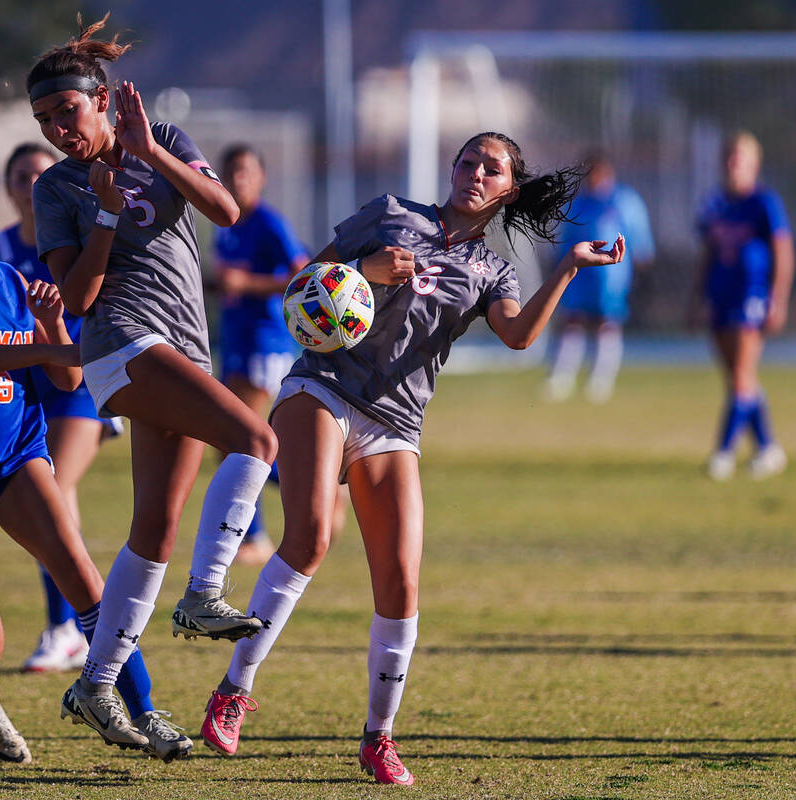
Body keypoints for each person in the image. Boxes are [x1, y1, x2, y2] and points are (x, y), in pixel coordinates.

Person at [195, 132, 625, 785]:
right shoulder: (391, 213)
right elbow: (301, 285)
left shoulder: (494, 270)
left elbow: (517, 336)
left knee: (400, 580)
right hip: (322, 387)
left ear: (509, 188)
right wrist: (363, 274)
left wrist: (567, 267)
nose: (475, 173)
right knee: (309, 538)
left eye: (491, 168)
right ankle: (232, 691)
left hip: (395, 422)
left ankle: (379, 737)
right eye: (467, 161)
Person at [27, 15, 278, 747]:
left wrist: (146, 156)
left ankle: (98, 684)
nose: (57, 129)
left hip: (185, 348)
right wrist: (104, 207)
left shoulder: (163, 141)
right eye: (44, 119)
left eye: (66, 111)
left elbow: (224, 210)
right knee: (256, 437)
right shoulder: (58, 190)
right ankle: (204, 596)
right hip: (119, 347)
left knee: (155, 531)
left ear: (102, 99)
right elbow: (74, 298)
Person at [0, 158, 191, 764]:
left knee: (86, 582)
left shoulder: (12, 279)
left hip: (15, 459)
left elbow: (67, 374)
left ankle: (143, 712)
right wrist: (48, 340)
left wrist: (55, 319)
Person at [0, 142, 119, 674]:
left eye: (40, 174)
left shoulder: (76, 241)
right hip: (27, 387)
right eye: (20, 176)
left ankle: (68, 629)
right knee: (44, 504)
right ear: (10, 186)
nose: (30, 184)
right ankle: (91, 625)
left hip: (80, 383)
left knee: (55, 490)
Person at [213, 144, 311, 565]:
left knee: (241, 439)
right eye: (231, 172)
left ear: (261, 177)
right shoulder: (226, 224)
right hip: (234, 339)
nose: (238, 180)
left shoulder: (271, 223)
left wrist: (246, 284)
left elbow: (304, 275)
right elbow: (228, 281)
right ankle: (310, 486)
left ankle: (257, 535)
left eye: (246, 172)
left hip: (266, 340)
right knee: (230, 442)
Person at [693, 131, 794, 481]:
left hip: (751, 296)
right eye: (730, 157)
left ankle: (723, 452)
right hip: (720, 295)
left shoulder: (764, 202)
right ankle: (768, 449)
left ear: (754, 163)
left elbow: (783, 252)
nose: (734, 164)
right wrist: (698, 297)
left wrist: (777, 298)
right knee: (740, 380)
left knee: (741, 377)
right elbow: (708, 254)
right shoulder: (716, 204)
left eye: (741, 157)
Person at [544, 150, 654, 403]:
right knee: (572, 321)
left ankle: (601, 379)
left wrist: (643, 264)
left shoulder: (624, 200)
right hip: (579, 275)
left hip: (611, 277)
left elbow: (639, 237)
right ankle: (562, 377)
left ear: (606, 172)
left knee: (607, 323)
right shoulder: (578, 203)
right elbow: (564, 238)